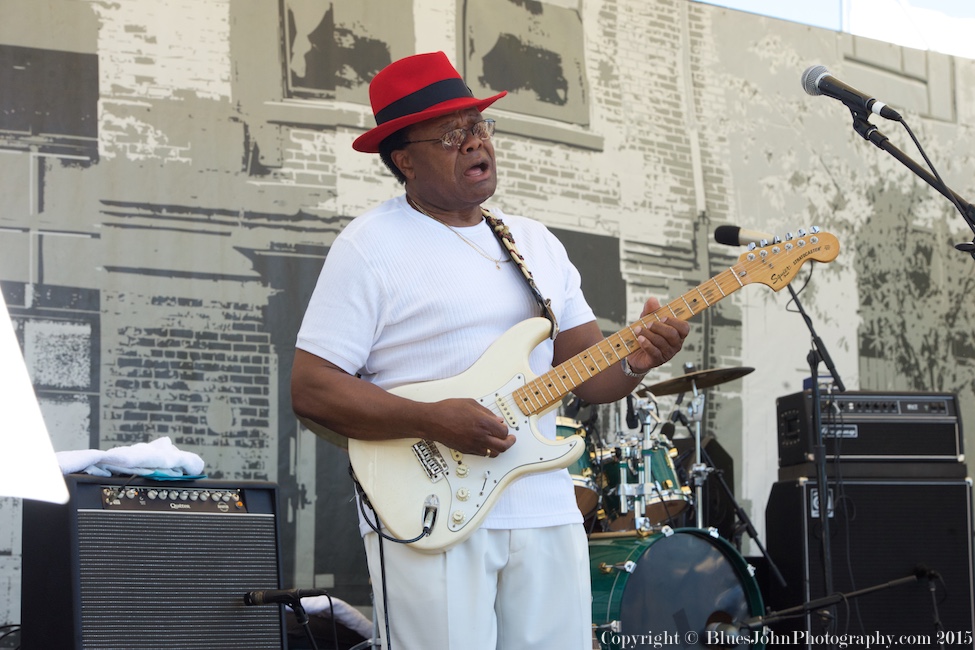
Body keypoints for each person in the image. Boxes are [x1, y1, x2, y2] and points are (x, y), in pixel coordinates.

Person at [291, 51, 689, 650]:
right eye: (452, 134)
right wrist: (431, 419)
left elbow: (588, 376)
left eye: (479, 126)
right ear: (404, 159)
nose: (476, 142)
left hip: (544, 502)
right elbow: (312, 388)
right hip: (431, 509)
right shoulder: (369, 246)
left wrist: (639, 357)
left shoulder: (533, 242)